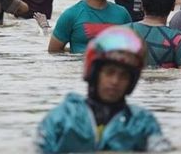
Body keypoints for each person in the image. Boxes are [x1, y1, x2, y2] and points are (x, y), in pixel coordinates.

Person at [36, 26, 172, 153]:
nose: (115, 81)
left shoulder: (142, 123)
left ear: (132, 81)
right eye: (109, 72)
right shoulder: (62, 118)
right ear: (94, 73)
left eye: (124, 75)